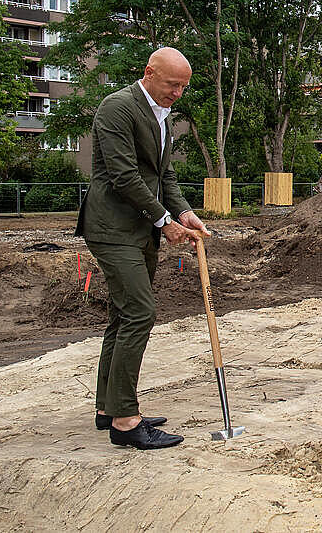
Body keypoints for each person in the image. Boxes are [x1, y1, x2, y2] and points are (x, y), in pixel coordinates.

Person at [77, 46, 209, 450]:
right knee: (139, 312)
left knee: (122, 316)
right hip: (112, 228)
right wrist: (164, 221)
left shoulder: (162, 116)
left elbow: (162, 174)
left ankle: (108, 407)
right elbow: (124, 176)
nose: (178, 94)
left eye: (183, 87)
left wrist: (183, 212)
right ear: (149, 73)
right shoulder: (117, 108)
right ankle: (125, 421)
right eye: (173, 84)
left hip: (141, 231)